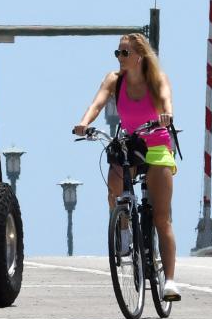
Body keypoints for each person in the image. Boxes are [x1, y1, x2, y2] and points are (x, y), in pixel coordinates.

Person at [72, 33, 180, 301]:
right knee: (114, 186)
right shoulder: (114, 80)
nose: (120, 58)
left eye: (125, 53)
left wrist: (166, 115)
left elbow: (166, 100)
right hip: (131, 143)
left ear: (140, 57)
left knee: (161, 217)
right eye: (118, 53)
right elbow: (97, 103)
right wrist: (84, 122)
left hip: (156, 145)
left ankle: (170, 281)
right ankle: (123, 231)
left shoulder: (156, 79)